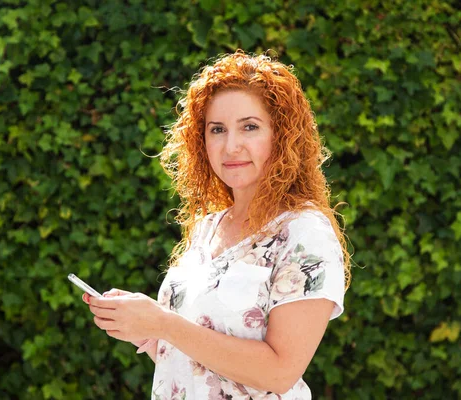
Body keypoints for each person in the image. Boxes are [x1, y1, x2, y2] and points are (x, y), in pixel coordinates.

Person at [82, 50, 351, 399]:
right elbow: (198, 362)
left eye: (249, 127)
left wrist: (163, 323)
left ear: (282, 137)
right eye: (217, 130)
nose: (231, 146)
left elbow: (279, 372)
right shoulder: (208, 228)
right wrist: (146, 330)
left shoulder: (304, 233)